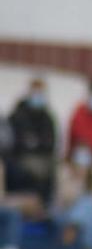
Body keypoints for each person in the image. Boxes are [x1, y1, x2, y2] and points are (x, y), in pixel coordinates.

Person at [7, 76, 58, 206]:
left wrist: (35, 143)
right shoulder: (18, 114)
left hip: (44, 158)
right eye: (36, 92)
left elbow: (50, 143)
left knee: (50, 170)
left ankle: (45, 207)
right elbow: (15, 142)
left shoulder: (47, 117)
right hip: (21, 158)